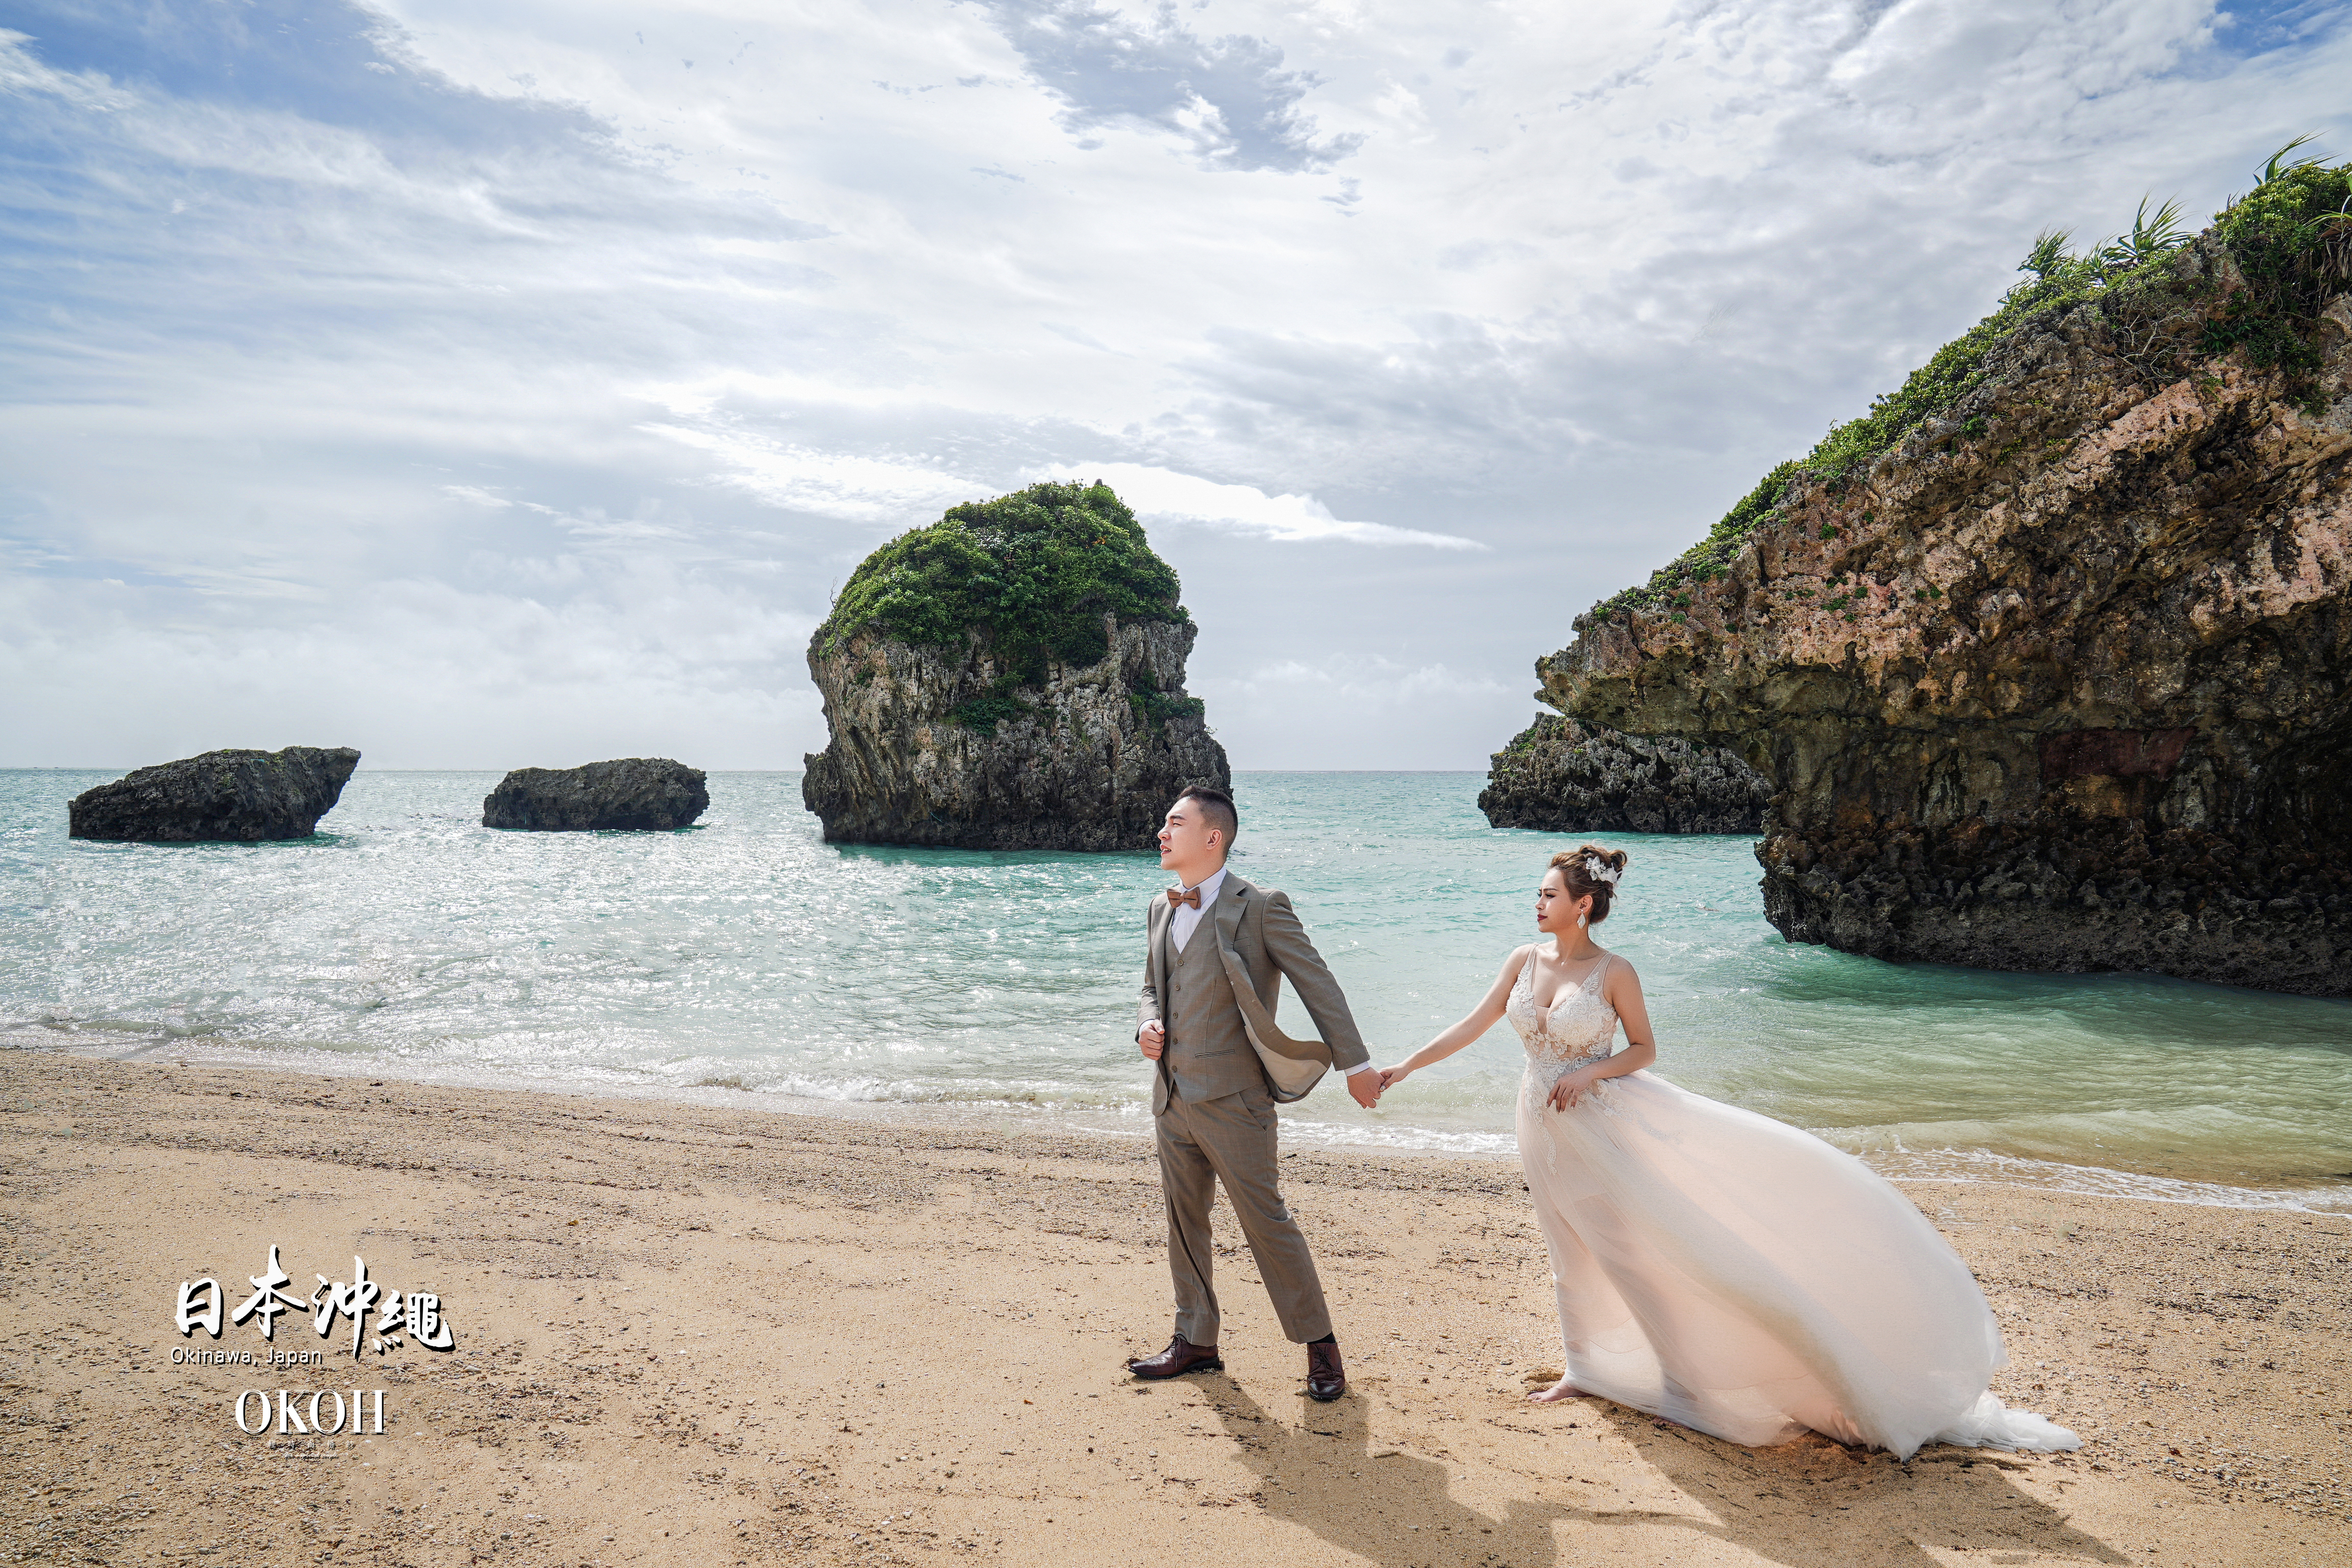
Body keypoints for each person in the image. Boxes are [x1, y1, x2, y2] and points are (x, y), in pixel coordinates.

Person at [1377, 844, 2079, 1459]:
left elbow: (1647, 1049)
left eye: (1549, 894)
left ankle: (1689, 1382)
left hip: (1602, 1127)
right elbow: (1473, 1023)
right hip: (1539, 1123)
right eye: (1538, 894)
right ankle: (1584, 1368)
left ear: (1583, 906)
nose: (1538, 903)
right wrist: (1404, 1068)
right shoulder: (1521, 961)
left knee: (1640, 1253)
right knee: (1569, 1252)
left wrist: (1591, 1070)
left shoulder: (1615, 972)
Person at [1127, 785, 1384, 1402]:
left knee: (1267, 1223)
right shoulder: (1161, 909)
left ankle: (1320, 1345)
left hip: (1238, 1101)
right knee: (1184, 1222)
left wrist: (1357, 1065)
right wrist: (1145, 1025)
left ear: (1212, 838)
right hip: (1171, 1096)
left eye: (1174, 823)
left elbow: (1317, 983)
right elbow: (1150, 987)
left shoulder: (1262, 906)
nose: (1162, 833)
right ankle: (1197, 1340)